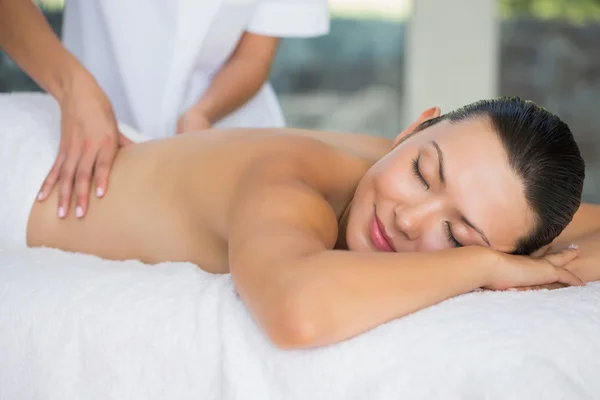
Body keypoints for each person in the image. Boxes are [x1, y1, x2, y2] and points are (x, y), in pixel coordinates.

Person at [5, 95, 600, 349]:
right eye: (422, 171)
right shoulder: (291, 184)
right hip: (19, 172)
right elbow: (299, 313)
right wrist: (480, 262)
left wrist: (511, 256)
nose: (408, 218)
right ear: (414, 126)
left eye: (456, 231)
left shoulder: (383, 171)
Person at [0, 0, 329, 219]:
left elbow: (254, 56)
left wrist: (202, 114)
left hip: (226, 133)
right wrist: (73, 87)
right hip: (91, 132)